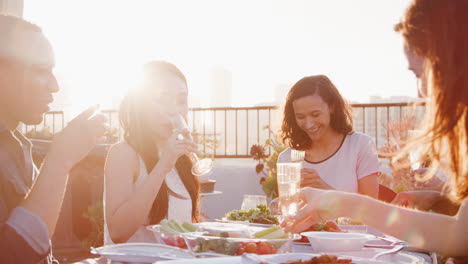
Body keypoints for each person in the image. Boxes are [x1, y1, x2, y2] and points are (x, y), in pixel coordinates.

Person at [286, 0, 468, 257]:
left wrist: (346, 203)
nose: (421, 92)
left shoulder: (358, 144)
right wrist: (438, 200)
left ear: (452, 62)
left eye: (419, 74)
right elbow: (461, 232)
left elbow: (460, 238)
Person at [0, 15, 107, 264]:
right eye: (41, 70)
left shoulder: (19, 148)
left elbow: (39, 253)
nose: (55, 86)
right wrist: (61, 159)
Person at [104, 61, 200, 244]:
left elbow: (183, 226)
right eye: (163, 100)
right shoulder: (123, 153)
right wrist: (163, 165)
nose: (174, 110)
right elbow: (118, 232)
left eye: (181, 100)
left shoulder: (181, 158)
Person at [278, 75, 379, 198]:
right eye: (301, 117)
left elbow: (370, 209)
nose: (308, 124)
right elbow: (288, 209)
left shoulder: (360, 145)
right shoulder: (287, 158)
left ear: (332, 107)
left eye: (315, 114)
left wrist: (324, 190)